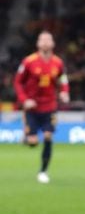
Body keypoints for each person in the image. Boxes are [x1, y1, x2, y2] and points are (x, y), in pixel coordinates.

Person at [15, 31, 69, 184]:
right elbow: (18, 82)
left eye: (48, 40)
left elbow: (63, 79)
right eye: (42, 40)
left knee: (47, 136)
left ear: (53, 44)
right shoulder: (29, 62)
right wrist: (24, 100)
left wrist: (64, 92)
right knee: (33, 142)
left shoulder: (58, 62)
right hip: (32, 108)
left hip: (49, 106)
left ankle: (43, 171)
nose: (45, 42)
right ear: (38, 44)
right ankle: (27, 137)